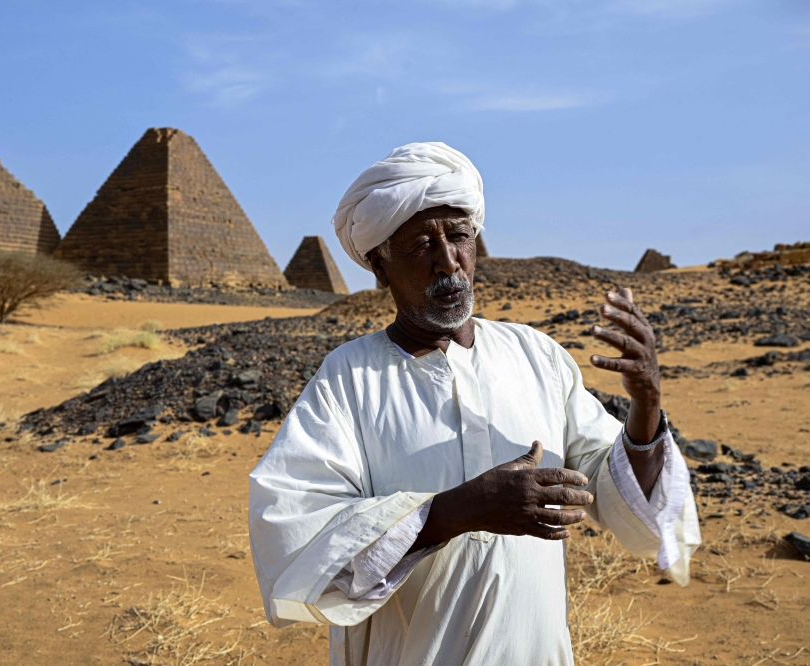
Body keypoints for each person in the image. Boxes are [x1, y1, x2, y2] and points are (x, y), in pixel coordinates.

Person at [248, 142, 699, 665]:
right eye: (420, 246)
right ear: (380, 265)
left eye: (460, 236)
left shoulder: (538, 356)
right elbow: (292, 536)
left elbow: (622, 497)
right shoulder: (347, 379)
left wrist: (645, 409)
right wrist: (458, 510)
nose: (449, 261)